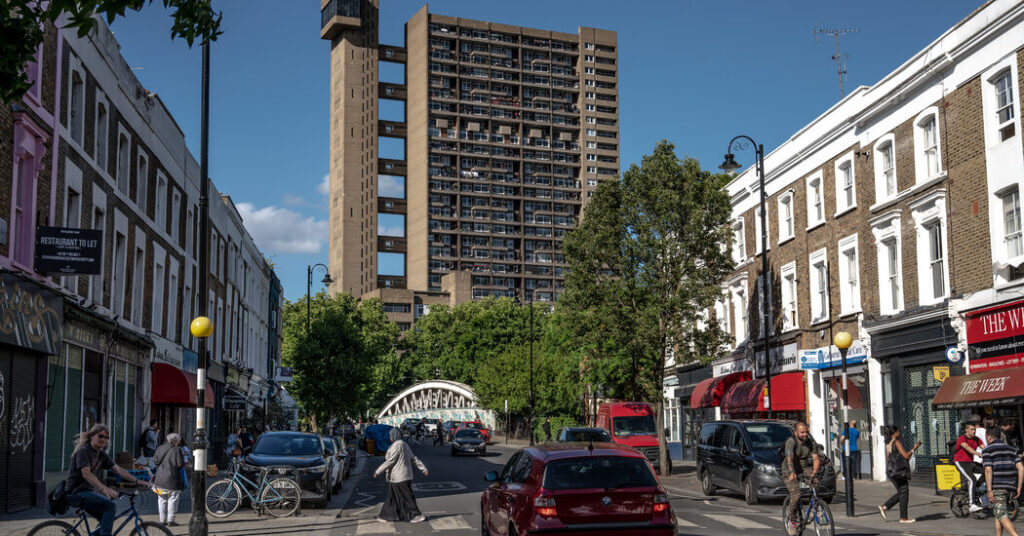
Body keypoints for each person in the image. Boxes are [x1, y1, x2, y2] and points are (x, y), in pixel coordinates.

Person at [67, 424, 151, 536]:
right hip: (76, 492)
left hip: (87, 492)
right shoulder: (84, 451)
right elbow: (86, 474)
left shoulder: (101, 454)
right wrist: (104, 488)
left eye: (107, 438)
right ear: (92, 436)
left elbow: (118, 469)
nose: (104, 440)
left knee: (105, 517)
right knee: (110, 506)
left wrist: (137, 481)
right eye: (101, 436)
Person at [373, 428, 429, 523]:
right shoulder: (404, 444)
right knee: (393, 498)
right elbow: (414, 458)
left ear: (394, 436)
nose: (390, 438)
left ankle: (416, 515)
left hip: (399, 477)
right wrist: (423, 468)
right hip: (400, 476)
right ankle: (386, 515)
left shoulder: (397, 445)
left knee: (407, 497)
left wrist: (378, 471)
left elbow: (391, 460)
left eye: (391, 436)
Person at [983, 428, 1024, 536]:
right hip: (1010, 487)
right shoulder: (1011, 449)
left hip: (997, 487)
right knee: (999, 514)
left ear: (988, 437)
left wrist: (989, 490)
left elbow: (988, 470)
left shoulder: (988, 450)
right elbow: (1021, 468)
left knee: (1001, 515)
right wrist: (1019, 487)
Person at [782, 422, 820, 536]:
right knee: (796, 495)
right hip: (789, 469)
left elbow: (816, 459)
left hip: (804, 468)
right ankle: (792, 520)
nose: (805, 434)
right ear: (796, 432)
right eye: (802, 432)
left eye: (806, 432)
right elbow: (789, 459)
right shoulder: (791, 441)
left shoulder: (811, 442)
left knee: (816, 485)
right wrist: (792, 472)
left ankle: (816, 507)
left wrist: (814, 473)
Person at [879, 425, 921, 523]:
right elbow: (906, 456)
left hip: (891, 472)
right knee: (904, 492)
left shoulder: (887, 443)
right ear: (895, 433)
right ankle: (903, 517)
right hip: (899, 472)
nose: (899, 433)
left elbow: (888, 458)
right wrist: (914, 448)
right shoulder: (896, 442)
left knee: (902, 492)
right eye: (898, 431)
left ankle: (885, 507)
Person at [152, 433, 186, 527]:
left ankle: (162, 520)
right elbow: (180, 464)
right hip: (172, 479)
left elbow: (155, 460)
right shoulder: (176, 450)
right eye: (178, 440)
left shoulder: (160, 448)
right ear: (175, 441)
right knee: (173, 499)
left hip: (159, 479)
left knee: (161, 499)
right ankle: (171, 520)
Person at [955, 422, 985, 513]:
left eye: (974, 429)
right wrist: (979, 454)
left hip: (970, 462)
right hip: (960, 462)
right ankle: (972, 504)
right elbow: (968, 448)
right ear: (966, 430)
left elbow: (985, 447)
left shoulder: (977, 439)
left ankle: (975, 488)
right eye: (971, 429)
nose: (974, 431)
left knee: (986, 470)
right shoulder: (962, 439)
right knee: (972, 479)